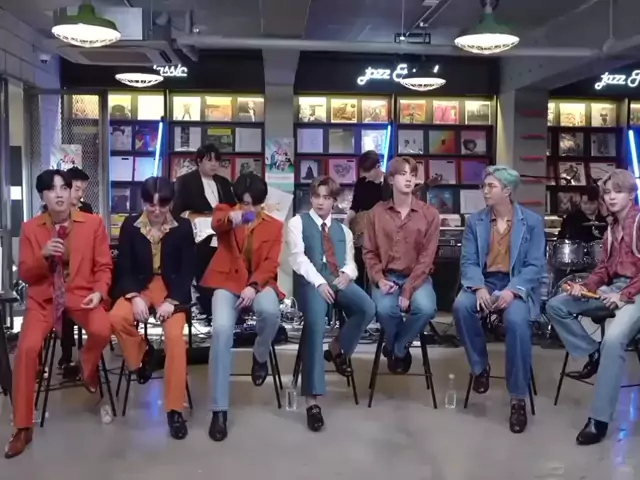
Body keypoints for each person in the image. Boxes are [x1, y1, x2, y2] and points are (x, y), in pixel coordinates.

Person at [6, 169, 112, 459]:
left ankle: (86, 364)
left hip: (81, 294)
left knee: (103, 329)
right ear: (43, 195)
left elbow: (104, 266)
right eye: (52, 189)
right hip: (44, 299)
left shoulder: (93, 223)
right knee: (26, 350)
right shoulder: (30, 228)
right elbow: (26, 274)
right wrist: (42, 256)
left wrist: (99, 291)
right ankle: (23, 427)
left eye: (64, 188)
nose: (60, 194)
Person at [546, 169, 640, 446]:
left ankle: (598, 420)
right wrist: (585, 286)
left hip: (635, 292)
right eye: (607, 192)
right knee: (557, 305)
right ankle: (592, 353)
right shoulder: (611, 229)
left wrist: (624, 295)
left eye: (618, 192)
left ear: (631, 194)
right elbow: (603, 270)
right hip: (614, 289)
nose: (611, 197)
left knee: (613, 340)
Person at [452, 165, 545, 434]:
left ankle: (518, 398)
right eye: (484, 186)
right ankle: (480, 367)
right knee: (461, 306)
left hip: (515, 285)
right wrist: (478, 287)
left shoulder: (532, 222)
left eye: (490, 186)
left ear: (507, 190)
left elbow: (535, 266)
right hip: (485, 281)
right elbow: (469, 261)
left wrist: (513, 291)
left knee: (517, 322)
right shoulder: (476, 221)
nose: (485, 191)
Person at [287, 176, 375, 432]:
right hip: (310, 282)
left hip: (337, 280)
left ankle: (338, 348)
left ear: (334, 201)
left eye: (326, 197)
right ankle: (312, 401)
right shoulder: (297, 222)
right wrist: (319, 283)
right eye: (316, 196)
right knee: (315, 324)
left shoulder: (343, 230)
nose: (320, 202)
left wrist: (347, 274)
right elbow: (298, 259)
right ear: (310, 197)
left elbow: (351, 263)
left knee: (367, 307)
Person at [109, 177, 194, 440]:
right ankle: (143, 355)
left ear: (171, 203)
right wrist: (134, 296)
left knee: (175, 339)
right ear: (143, 201)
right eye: (150, 203)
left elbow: (187, 270)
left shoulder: (183, 227)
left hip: (171, 289)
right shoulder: (130, 225)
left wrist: (172, 300)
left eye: (163, 204)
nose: (156, 210)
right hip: (140, 286)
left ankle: (174, 409)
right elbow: (123, 267)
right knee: (117, 317)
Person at [202, 173, 283, 442]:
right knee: (221, 330)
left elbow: (271, 263)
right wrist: (233, 218)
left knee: (270, 312)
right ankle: (219, 410)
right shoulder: (226, 212)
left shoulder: (274, 226)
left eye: (255, 203)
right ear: (238, 200)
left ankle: (260, 355)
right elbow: (216, 223)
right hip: (226, 281)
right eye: (246, 203)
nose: (250, 208)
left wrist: (254, 286)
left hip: (258, 283)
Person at [363, 156, 439, 374]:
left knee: (426, 308)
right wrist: (379, 279)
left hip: (417, 277)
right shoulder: (376, 213)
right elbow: (369, 252)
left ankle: (396, 347)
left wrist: (408, 289)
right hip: (386, 276)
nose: (409, 179)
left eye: (412, 175)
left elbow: (426, 258)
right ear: (390, 179)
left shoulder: (430, 215)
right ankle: (399, 346)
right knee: (385, 310)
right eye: (403, 174)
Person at [172, 143, 236, 316]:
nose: (214, 164)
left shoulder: (223, 183)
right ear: (199, 161)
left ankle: (221, 311)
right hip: (198, 237)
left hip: (222, 235)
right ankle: (206, 309)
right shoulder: (185, 181)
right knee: (204, 275)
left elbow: (233, 208)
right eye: (209, 160)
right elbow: (177, 212)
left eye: (217, 161)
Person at [57, 166, 94, 376]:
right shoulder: (53, 210)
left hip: (83, 270)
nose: (80, 195)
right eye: (77, 189)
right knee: (63, 302)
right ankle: (66, 354)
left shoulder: (86, 209)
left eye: (83, 190)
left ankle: (88, 354)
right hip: (60, 272)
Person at [345, 151, 391, 288]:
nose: (365, 176)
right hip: (362, 232)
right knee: (359, 263)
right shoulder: (362, 182)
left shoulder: (389, 185)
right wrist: (347, 221)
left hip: (383, 234)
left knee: (378, 265)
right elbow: (355, 206)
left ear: (378, 167)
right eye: (363, 172)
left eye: (368, 172)